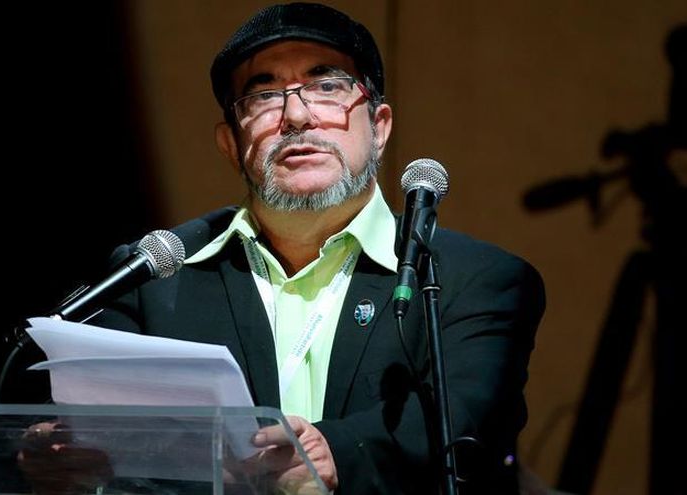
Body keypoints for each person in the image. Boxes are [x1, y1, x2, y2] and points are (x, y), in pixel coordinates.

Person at [35, 3, 545, 494]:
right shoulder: (153, 278)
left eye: (327, 86)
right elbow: (107, 446)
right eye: (263, 96)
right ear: (231, 144)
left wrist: (336, 454)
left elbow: (467, 426)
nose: (296, 115)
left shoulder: (471, 280)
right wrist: (63, 459)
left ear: (380, 127)